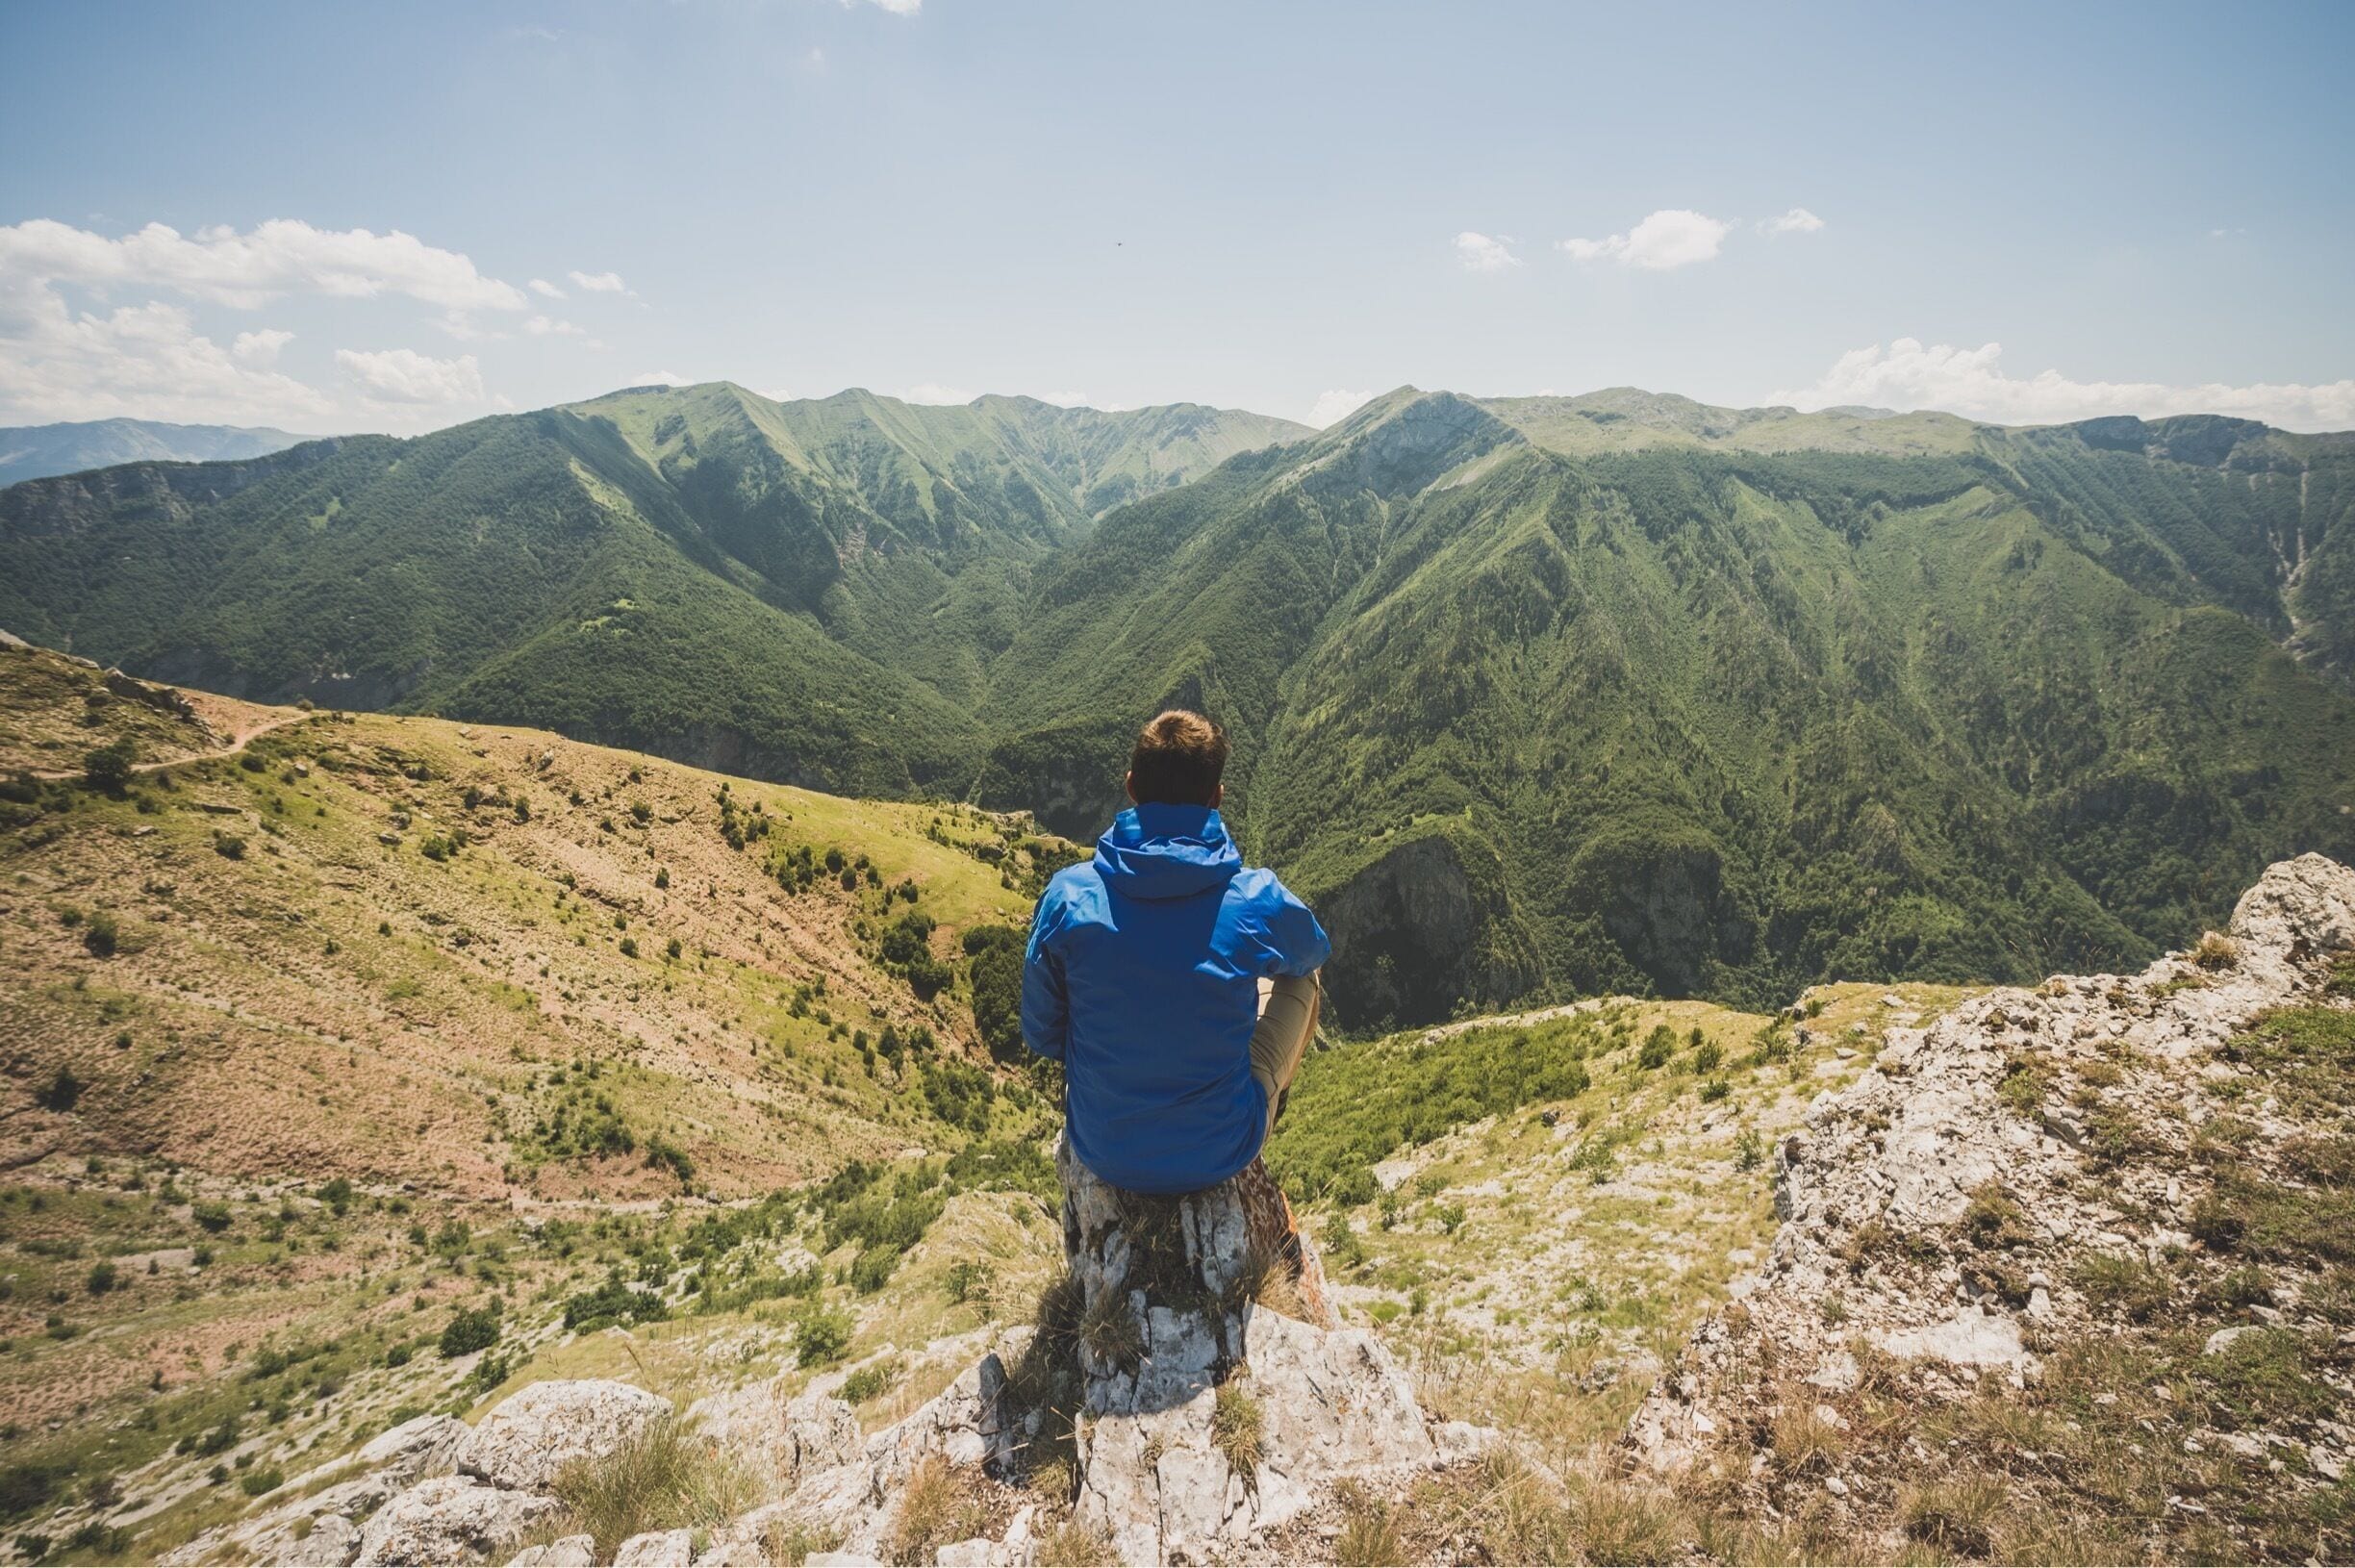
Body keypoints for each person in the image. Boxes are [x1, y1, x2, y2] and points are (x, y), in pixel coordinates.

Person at [1020, 709, 1329, 1197]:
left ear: (1131, 787)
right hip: (1220, 1150)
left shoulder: (1067, 897)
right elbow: (1313, 950)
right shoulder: (1253, 898)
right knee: (1303, 979)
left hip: (1103, 1144)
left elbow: (1041, 1031)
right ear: (1217, 799)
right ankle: (1263, 1101)